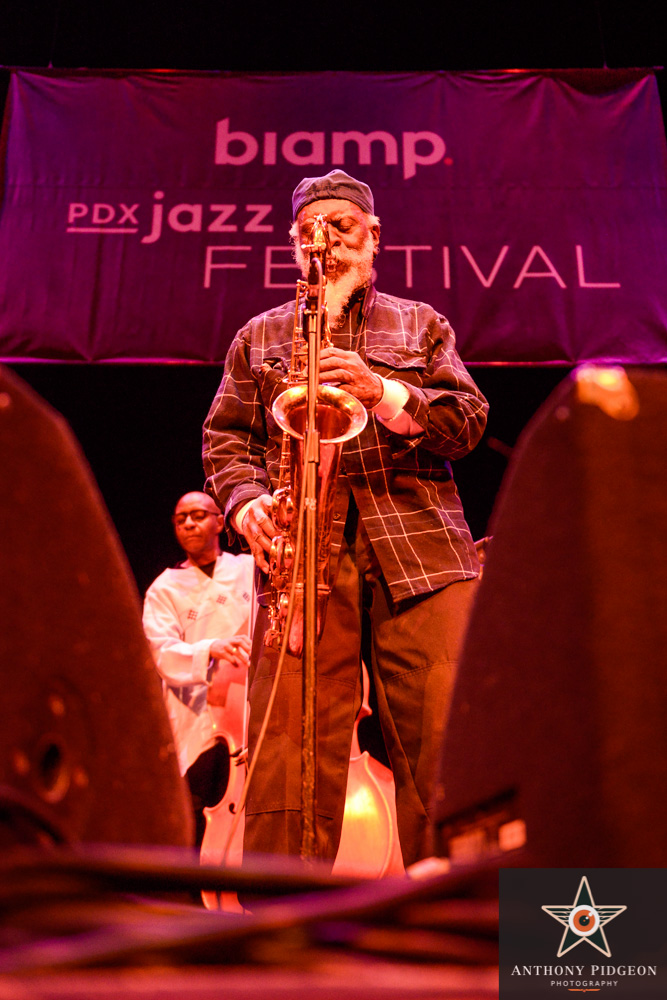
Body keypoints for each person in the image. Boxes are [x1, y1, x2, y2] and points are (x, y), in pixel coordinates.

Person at [202, 169, 489, 867]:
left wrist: (385, 391)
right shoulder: (260, 334)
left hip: (422, 552)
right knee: (289, 752)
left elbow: (467, 421)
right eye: (308, 230)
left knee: (447, 736)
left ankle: (464, 913)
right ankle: (284, 924)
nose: (323, 241)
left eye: (340, 226)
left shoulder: (420, 323)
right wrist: (245, 507)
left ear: (373, 237)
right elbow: (225, 441)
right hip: (302, 555)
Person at [142, 491, 254, 845]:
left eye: (198, 515)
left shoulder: (248, 569)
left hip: (249, 712)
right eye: (181, 519)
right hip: (197, 717)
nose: (189, 523)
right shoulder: (164, 589)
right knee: (198, 819)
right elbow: (160, 652)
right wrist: (211, 648)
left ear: (220, 521)